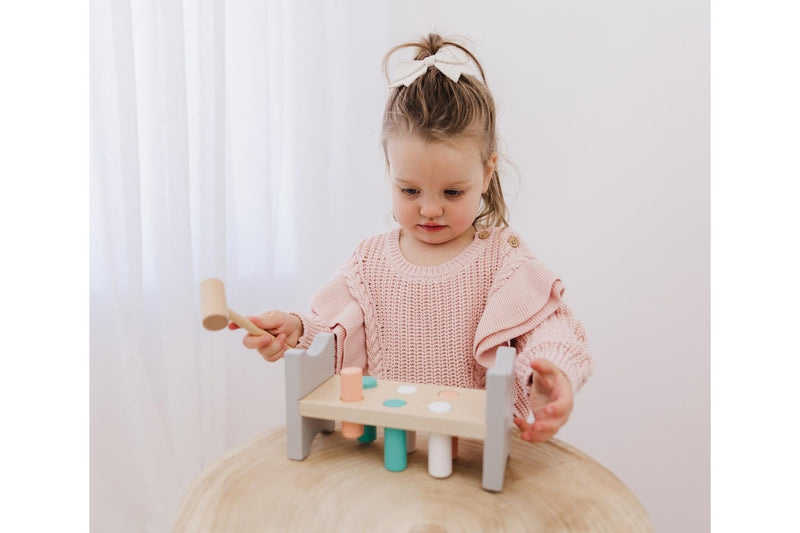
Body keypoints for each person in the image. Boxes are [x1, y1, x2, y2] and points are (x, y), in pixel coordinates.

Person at [232, 33, 593, 442]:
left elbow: (552, 328)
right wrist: (296, 331)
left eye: (452, 192)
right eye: (409, 190)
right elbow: (334, 338)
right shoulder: (368, 262)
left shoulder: (502, 258)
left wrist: (553, 369)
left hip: (471, 456)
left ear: (488, 172)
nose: (430, 209)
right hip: (390, 456)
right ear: (390, 169)